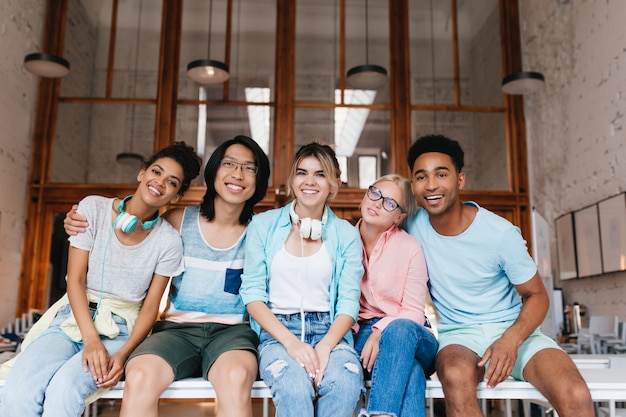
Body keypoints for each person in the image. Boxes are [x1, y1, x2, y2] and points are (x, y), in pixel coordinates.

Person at [61, 135, 271, 417]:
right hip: (175, 333)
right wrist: (77, 221)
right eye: (229, 163)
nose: (238, 173)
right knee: (140, 375)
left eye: (249, 167)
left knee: (235, 378)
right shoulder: (176, 220)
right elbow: (131, 234)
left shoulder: (264, 230)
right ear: (214, 171)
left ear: (259, 180)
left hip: (233, 335)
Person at [0, 142, 202, 417]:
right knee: (18, 391)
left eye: (172, 182)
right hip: (72, 318)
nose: (160, 182)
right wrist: (91, 340)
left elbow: (151, 306)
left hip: (120, 330)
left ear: (176, 197)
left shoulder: (168, 241)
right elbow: (75, 280)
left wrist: (123, 354)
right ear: (141, 173)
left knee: (65, 388)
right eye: (156, 171)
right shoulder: (92, 208)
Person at [405, 134, 594, 417]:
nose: (431, 185)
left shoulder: (500, 233)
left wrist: (510, 340)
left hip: (515, 331)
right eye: (422, 177)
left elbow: (537, 295)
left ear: (460, 180)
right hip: (459, 335)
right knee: (455, 378)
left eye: (441, 174)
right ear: (413, 186)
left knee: (576, 394)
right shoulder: (411, 226)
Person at [239, 141, 364, 417]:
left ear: (334, 183)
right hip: (277, 334)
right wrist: (291, 343)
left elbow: (348, 302)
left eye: (320, 174)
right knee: (294, 387)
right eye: (302, 172)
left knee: (344, 383)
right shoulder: (263, 225)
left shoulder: (346, 234)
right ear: (292, 180)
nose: (310, 181)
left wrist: (326, 346)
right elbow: (252, 295)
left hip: (330, 332)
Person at [353, 174, 438, 417]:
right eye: (375, 194)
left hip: (413, 333)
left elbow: (412, 311)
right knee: (410, 372)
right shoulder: (344, 240)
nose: (378, 203)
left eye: (390, 203)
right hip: (361, 336)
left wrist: (381, 332)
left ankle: (379, 414)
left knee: (399, 330)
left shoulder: (409, 246)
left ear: (398, 217)